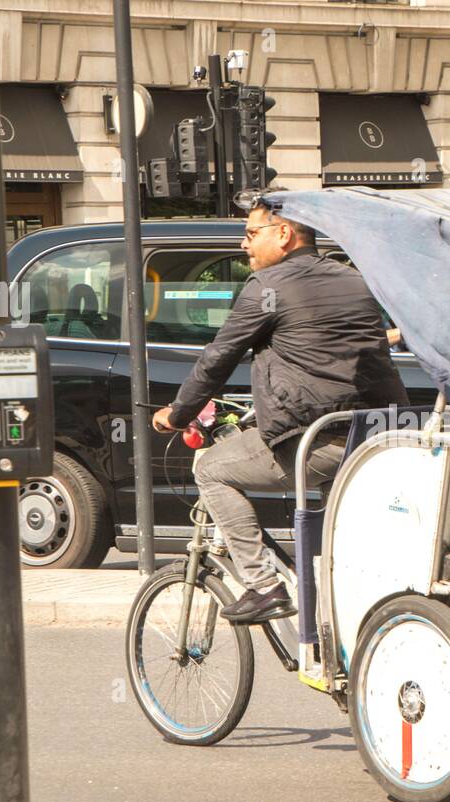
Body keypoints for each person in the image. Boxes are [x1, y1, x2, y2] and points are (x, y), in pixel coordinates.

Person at [153, 197, 409, 624]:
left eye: (253, 234)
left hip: (316, 438)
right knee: (338, 524)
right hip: (374, 434)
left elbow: (219, 357)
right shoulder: (352, 279)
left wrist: (178, 414)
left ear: (284, 234)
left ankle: (263, 586)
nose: (244, 244)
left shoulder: (268, 288)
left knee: (212, 469)